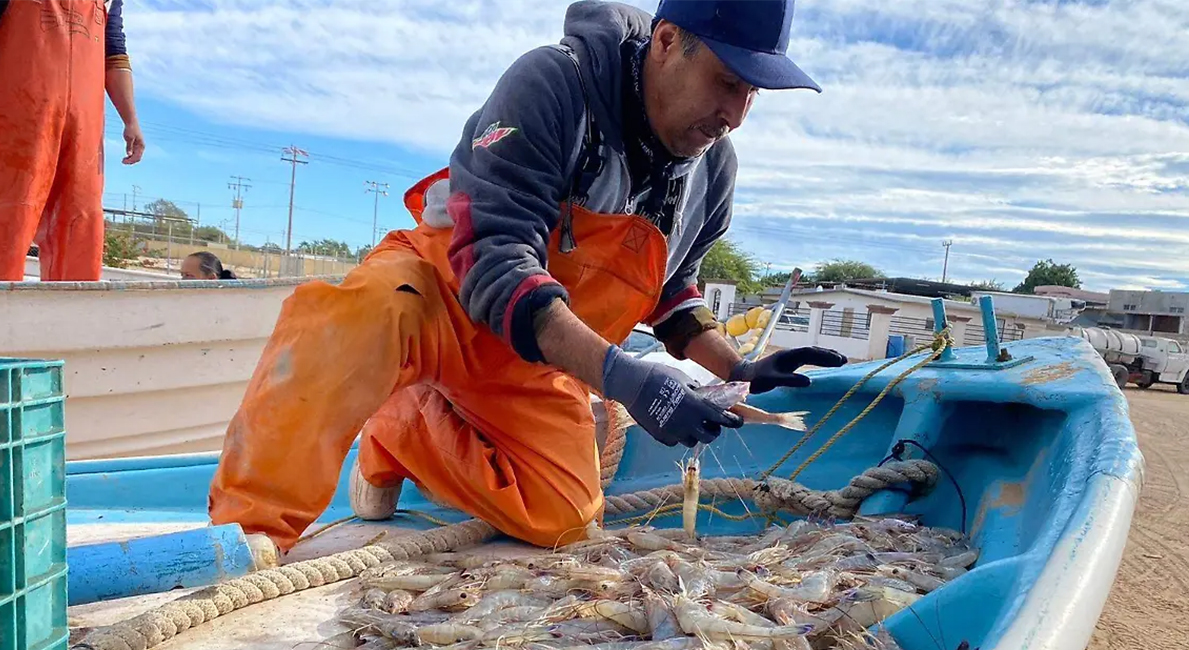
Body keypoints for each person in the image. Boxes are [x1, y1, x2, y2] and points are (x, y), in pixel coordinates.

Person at [208, 0, 847, 554]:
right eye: (728, 81)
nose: (735, 113)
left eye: (753, 94)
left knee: (563, 517)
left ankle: (401, 428)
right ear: (667, 41)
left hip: (537, 358)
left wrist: (735, 369)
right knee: (363, 314)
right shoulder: (553, 84)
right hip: (443, 301)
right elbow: (494, 262)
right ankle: (241, 542)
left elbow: (673, 296)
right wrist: (623, 378)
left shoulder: (714, 170)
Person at [0, 0, 146, 282]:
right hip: (15, 120)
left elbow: (114, 52)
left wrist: (131, 119)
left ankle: (71, 317)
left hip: (84, 131)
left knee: (79, 222)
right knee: (9, 212)